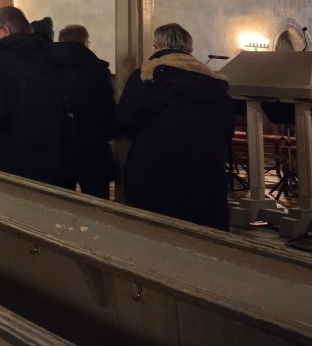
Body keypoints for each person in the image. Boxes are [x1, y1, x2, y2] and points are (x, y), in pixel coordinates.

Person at [116, 23, 234, 230]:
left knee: (154, 234)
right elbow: (227, 131)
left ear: (157, 45)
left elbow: (125, 121)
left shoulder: (147, 77)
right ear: (189, 48)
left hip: (156, 174)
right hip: (205, 176)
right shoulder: (215, 83)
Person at [0, 6, 72, 187]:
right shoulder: (49, 62)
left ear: (5, 31)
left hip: (4, 172)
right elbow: (65, 119)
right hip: (46, 170)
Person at [48, 25, 116, 198]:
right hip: (93, 148)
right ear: (85, 43)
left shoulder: (47, 67)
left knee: (60, 204)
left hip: (58, 148)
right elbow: (106, 109)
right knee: (96, 205)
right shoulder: (98, 69)